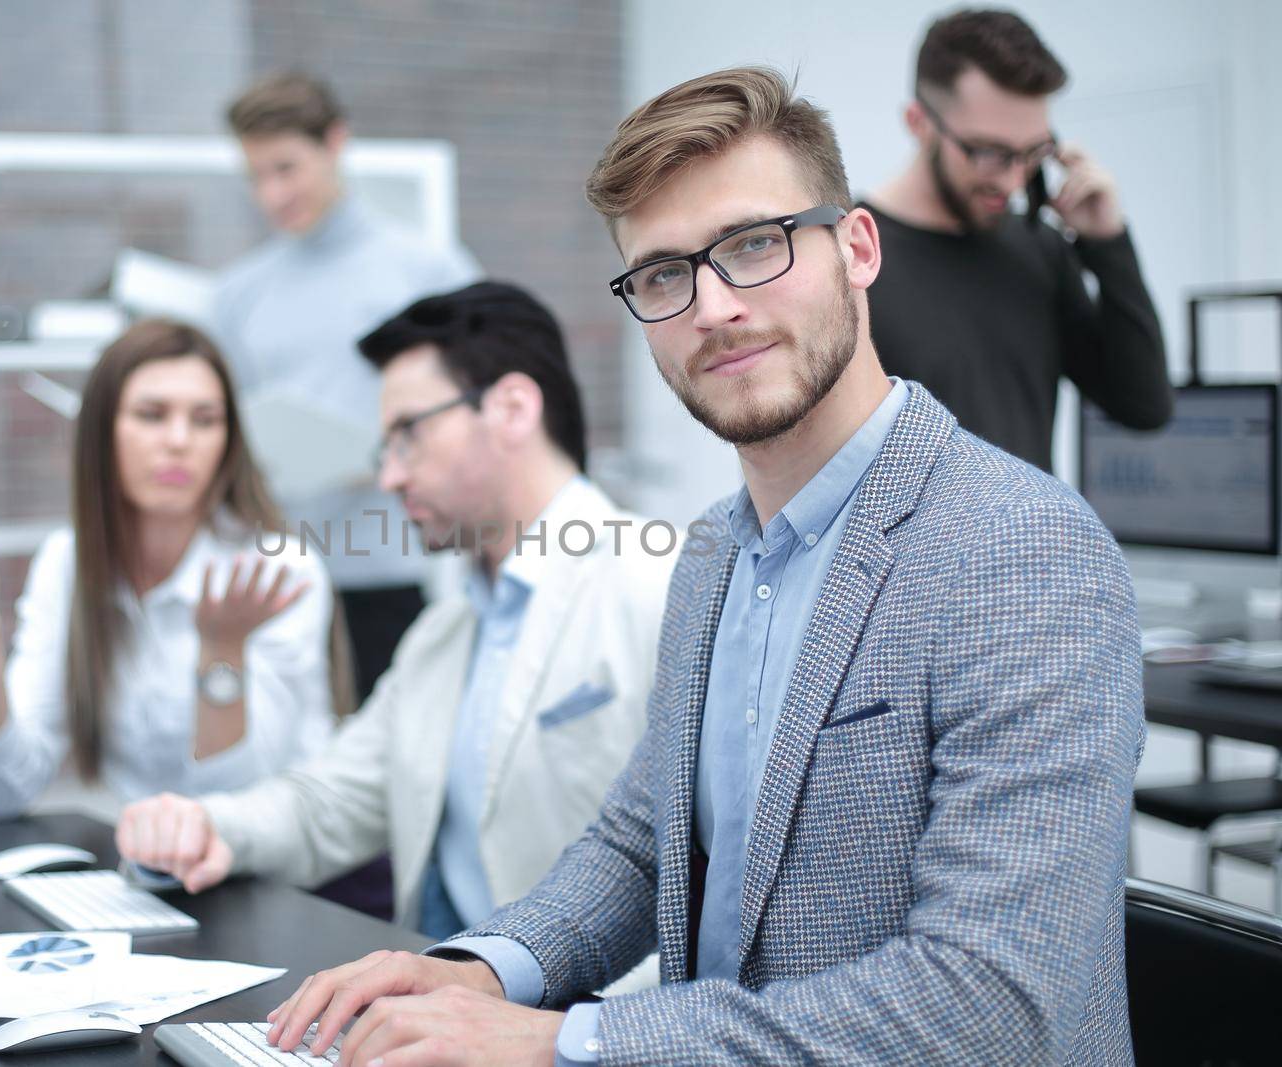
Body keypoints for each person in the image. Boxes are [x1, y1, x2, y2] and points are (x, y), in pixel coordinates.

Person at [260, 67, 1145, 1067]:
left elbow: (990, 1001)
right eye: (663, 274)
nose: (712, 306)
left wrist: (561, 1040)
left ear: (857, 248)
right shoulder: (714, 552)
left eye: (754, 244)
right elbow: (641, 846)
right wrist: (477, 969)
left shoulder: (1022, 552)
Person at [114, 282, 675, 944]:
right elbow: (327, 804)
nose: (389, 478)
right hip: (438, 1012)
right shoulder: (445, 634)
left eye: (407, 434)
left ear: (513, 409)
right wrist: (204, 825)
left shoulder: (659, 588)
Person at [0, 319, 344, 817]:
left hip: (273, 869)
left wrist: (221, 654)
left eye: (205, 420)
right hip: (143, 868)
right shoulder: (68, 562)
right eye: (151, 415)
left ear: (228, 442)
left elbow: (237, 803)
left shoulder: (278, 569)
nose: (179, 440)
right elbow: (7, 788)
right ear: (103, 433)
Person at [210, 71, 482, 700]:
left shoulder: (425, 272)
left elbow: (481, 401)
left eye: (286, 168)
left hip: (394, 577)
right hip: (277, 586)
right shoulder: (235, 297)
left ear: (335, 143)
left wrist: (393, 451)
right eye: (256, 177)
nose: (272, 194)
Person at [862, 8, 1171, 471]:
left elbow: (1144, 406)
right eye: (989, 153)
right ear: (918, 122)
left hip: (1029, 542)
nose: (1011, 182)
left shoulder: (1038, 248)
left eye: (1032, 153)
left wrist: (1107, 243)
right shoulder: (849, 258)